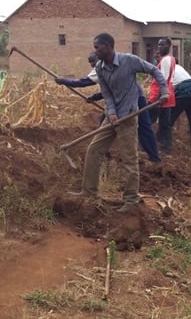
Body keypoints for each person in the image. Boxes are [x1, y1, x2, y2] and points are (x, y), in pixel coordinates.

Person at [74, 33, 168, 212]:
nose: (95, 51)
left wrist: (164, 91)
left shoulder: (129, 61)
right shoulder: (100, 68)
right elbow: (107, 94)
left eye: (98, 47)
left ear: (108, 46)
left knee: (129, 159)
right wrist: (111, 113)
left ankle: (131, 200)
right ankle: (88, 191)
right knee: (94, 150)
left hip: (129, 117)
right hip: (112, 117)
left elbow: (154, 70)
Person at [55, 52, 161, 162]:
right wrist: (95, 97)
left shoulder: (104, 66)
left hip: (135, 99)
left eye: (93, 61)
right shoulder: (102, 68)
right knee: (104, 123)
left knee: (144, 127)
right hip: (120, 101)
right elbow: (111, 89)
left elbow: (84, 82)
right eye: (90, 63)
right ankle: (104, 153)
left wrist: (64, 81)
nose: (92, 65)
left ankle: (154, 157)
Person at [148, 37, 176, 154]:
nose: (160, 47)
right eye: (159, 45)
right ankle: (166, 147)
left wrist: (157, 98)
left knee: (146, 121)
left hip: (160, 96)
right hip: (168, 96)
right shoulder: (171, 59)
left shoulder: (165, 60)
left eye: (163, 45)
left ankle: (145, 145)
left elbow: (162, 80)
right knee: (165, 123)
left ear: (169, 46)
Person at [170, 63, 191, 153]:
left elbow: (165, 88)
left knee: (168, 121)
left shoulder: (165, 68)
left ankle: (164, 146)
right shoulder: (179, 67)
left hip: (182, 93)